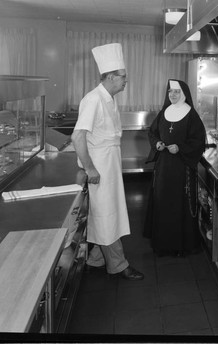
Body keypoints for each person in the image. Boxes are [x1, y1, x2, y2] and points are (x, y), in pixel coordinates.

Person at [71, 43, 144, 280]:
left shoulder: (110, 98)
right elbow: (78, 136)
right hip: (99, 169)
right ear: (111, 77)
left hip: (108, 166)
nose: (125, 81)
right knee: (107, 215)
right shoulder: (93, 100)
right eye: (123, 77)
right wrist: (90, 168)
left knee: (107, 213)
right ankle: (118, 264)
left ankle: (96, 258)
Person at [143, 79, 206, 257]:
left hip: (182, 168)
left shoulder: (191, 115)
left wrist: (181, 148)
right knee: (162, 202)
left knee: (179, 205)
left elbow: (198, 141)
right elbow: (152, 133)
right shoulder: (164, 113)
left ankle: (181, 246)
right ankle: (162, 244)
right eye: (170, 91)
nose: (172, 94)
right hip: (163, 167)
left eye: (177, 91)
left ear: (184, 93)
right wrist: (157, 144)